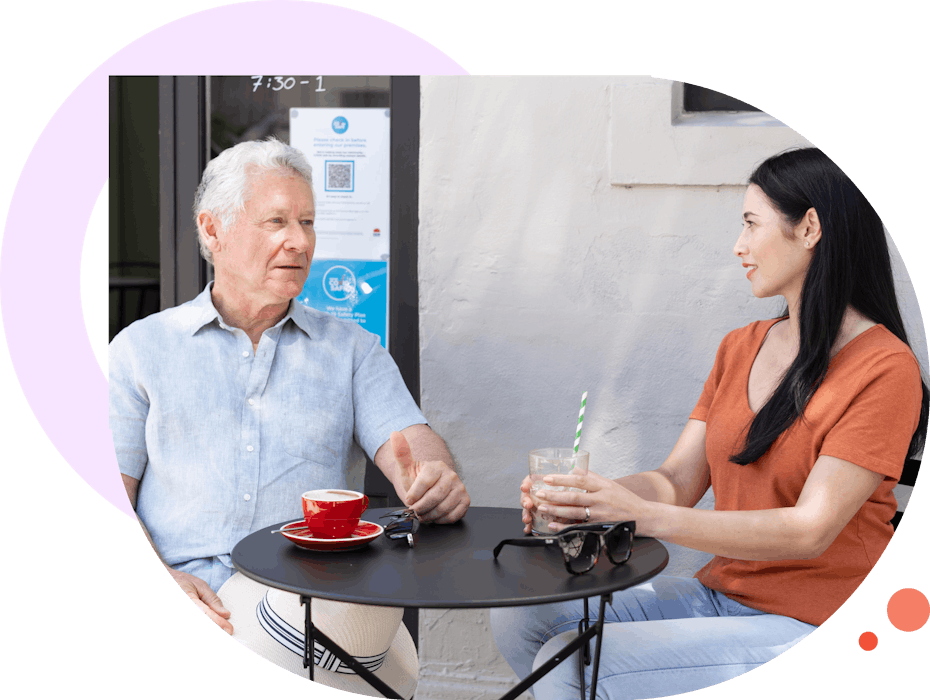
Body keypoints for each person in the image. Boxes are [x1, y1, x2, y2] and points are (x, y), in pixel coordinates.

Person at [491, 148, 928, 699]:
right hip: (723, 596)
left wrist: (643, 516)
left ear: (809, 228)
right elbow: (677, 481)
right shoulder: (741, 346)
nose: (738, 246)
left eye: (751, 224)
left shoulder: (884, 367)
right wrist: (590, 500)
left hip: (817, 620)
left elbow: (809, 530)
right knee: (523, 617)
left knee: (572, 664)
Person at [109, 138, 470, 636]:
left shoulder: (352, 349)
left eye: (307, 222)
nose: (299, 241)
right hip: (181, 590)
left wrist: (434, 478)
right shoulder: (140, 349)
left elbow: (411, 442)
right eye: (277, 221)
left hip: (308, 598)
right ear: (213, 230)